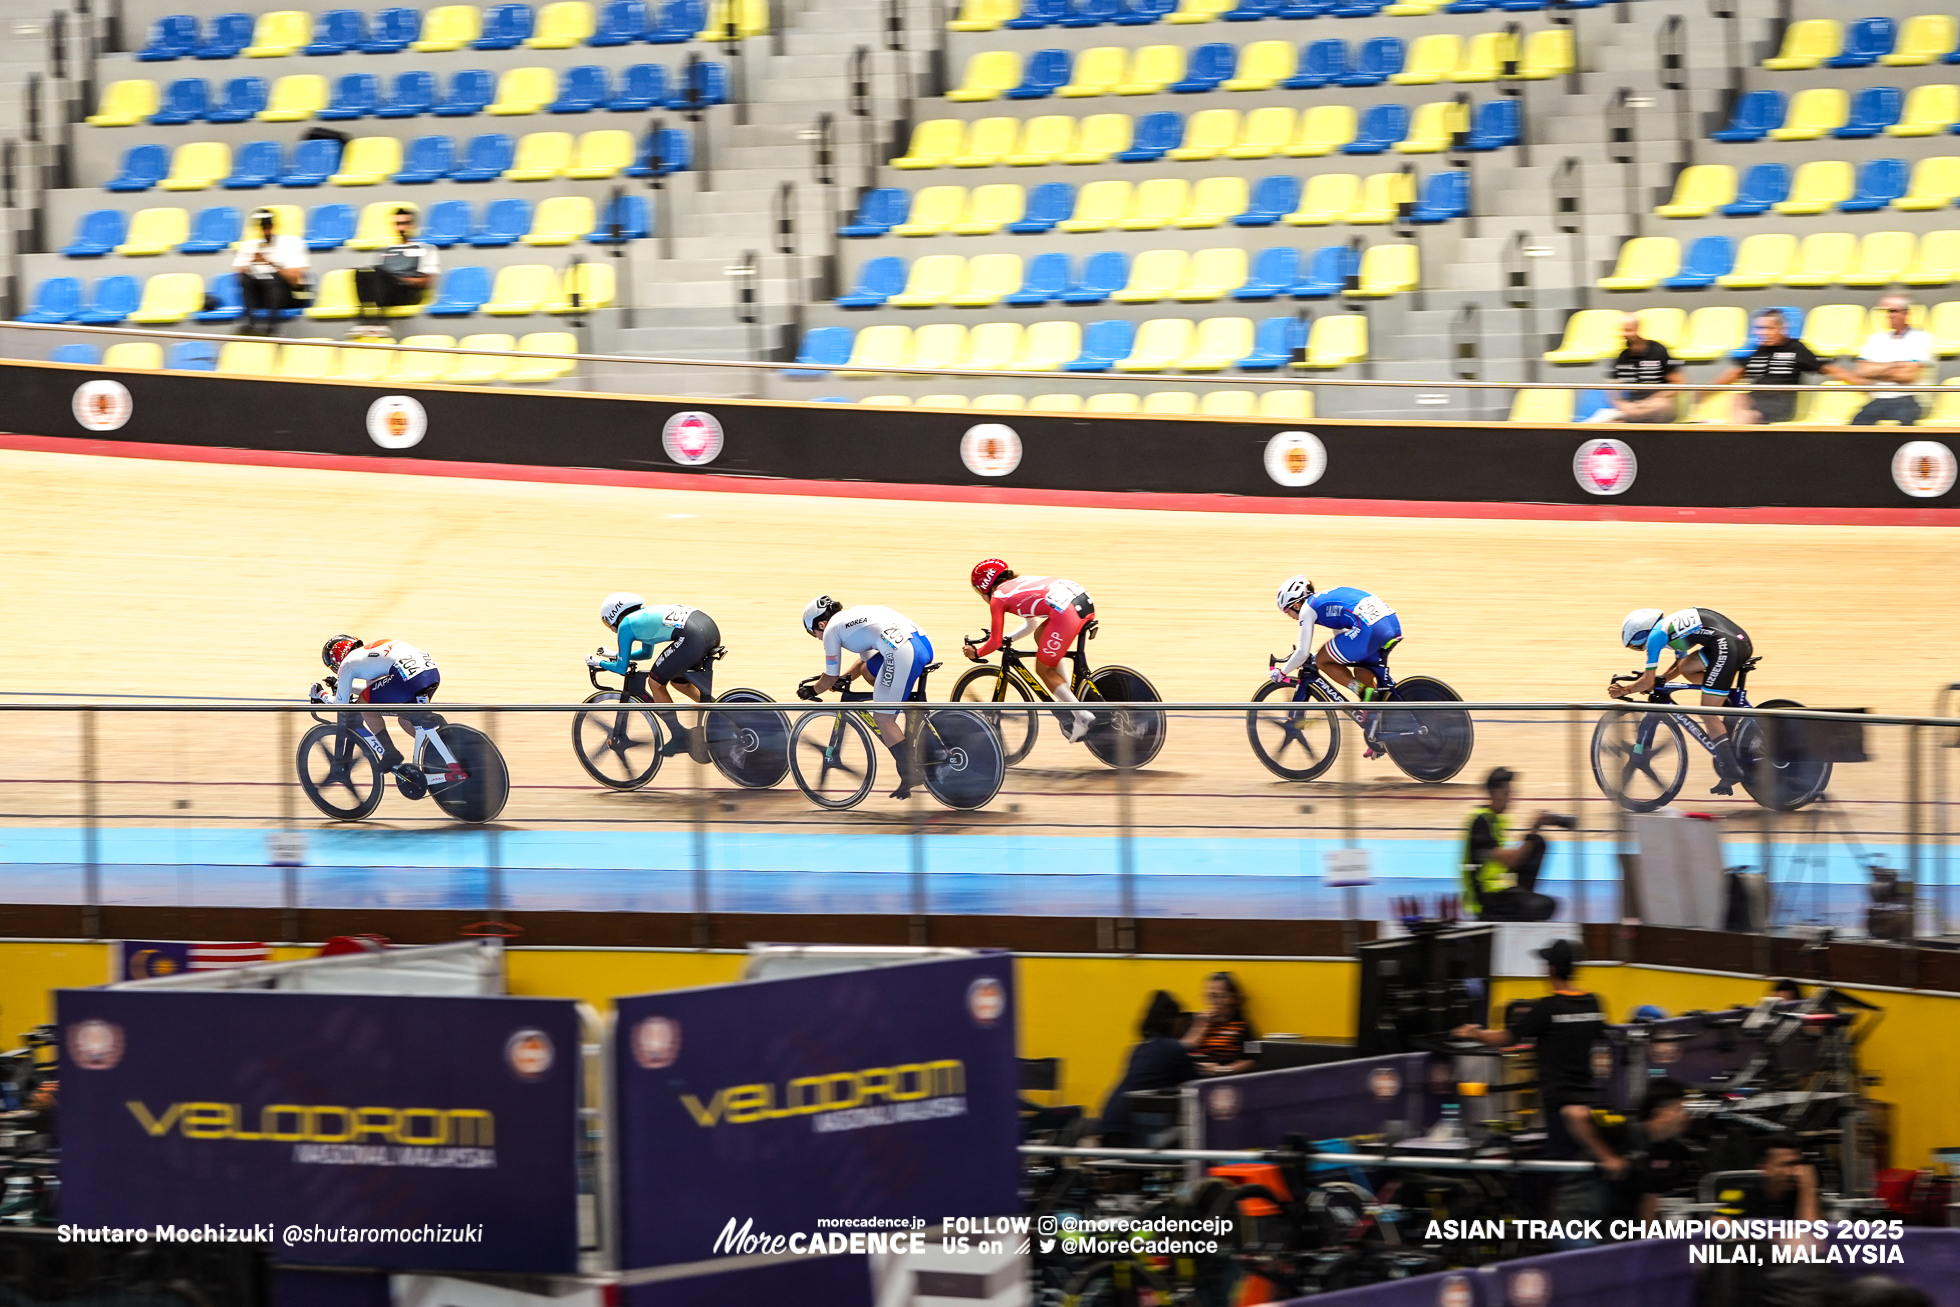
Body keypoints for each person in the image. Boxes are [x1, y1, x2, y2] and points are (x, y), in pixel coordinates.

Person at [1453, 940, 1623, 1177]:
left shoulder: (1548, 1008)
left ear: (1551, 969)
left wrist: (1473, 1033)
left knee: (1562, 1175)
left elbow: (1507, 1038)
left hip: (1560, 1107)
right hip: (1590, 1102)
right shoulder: (1595, 1003)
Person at [798, 596, 934, 799]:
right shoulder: (852, 617)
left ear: (821, 624)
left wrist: (812, 691)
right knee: (868, 671)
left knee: (883, 719)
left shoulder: (831, 631)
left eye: (813, 633)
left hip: (903, 653)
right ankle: (900, 713)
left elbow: (829, 676)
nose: (817, 637)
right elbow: (864, 662)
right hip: (922, 645)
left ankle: (910, 773)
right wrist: (845, 678)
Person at [1609, 606, 1753, 794]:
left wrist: (1624, 690)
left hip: (1725, 646)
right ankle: (1722, 697)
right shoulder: (1671, 630)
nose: (1640, 648)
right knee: (1687, 668)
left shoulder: (1655, 636)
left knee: (1708, 714)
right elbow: (1679, 665)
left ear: (1643, 630)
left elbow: (1647, 680)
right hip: (1733, 642)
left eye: (1636, 643)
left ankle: (1732, 770)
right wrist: (1662, 679)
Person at [961, 559, 1096, 742]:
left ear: (984, 586)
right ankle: (1065, 695)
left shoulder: (998, 598)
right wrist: (1009, 639)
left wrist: (976, 653)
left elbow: (994, 641)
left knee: (1043, 669)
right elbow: (1032, 624)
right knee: (1041, 636)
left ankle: (1082, 715)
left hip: (1066, 612)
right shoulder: (1018, 584)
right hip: (1081, 599)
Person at [1271, 576, 1401, 758]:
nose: (1291, 617)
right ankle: (1377, 732)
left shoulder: (1308, 608)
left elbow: (1302, 652)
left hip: (1370, 629)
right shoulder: (1325, 600)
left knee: (1324, 661)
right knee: (1360, 669)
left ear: (1296, 605)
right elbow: (1341, 637)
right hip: (1390, 623)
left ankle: (1364, 694)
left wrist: (1281, 672)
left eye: (1287, 612)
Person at [586, 591, 719, 764]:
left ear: (614, 615)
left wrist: (597, 662)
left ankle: (678, 736)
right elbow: (645, 653)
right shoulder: (643, 617)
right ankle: (722, 714)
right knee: (680, 683)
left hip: (692, 638)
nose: (611, 628)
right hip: (708, 630)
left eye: (607, 622)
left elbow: (621, 668)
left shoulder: (626, 625)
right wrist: (614, 654)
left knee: (655, 682)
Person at [312, 635, 441, 795]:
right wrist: (343, 687)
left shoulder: (347, 663)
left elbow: (342, 705)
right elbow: (376, 692)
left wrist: (321, 694)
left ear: (336, 657)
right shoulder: (368, 655)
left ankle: (390, 753)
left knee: (364, 705)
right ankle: (441, 751)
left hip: (406, 678)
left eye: (331, 664)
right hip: (429, 673)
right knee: (405, 719)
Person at [1708, 310, 1856, 424]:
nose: (1762, 333)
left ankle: (1738, 433)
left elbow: (1829, 369)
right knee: (1738, 397)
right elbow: (1736, 373)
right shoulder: (1760, 350)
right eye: (1759, 328)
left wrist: (1863, 384)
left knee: (1747, 414)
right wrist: (1705, 391)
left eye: (1768, 328)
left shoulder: (1796, 348)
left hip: (1780, 404)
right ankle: (1739, 430)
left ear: (1781, 328)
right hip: (1755, 400)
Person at [1098, 991, 1200, 1146]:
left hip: (1110, 1123)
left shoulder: (1139, 1048)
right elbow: (1197, 1086)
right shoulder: (1172, 1048)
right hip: (1134, 1131)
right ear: (1172, 1020)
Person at [1462, 767, 1557, 922]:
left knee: (1537, 844)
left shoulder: (1494, 819)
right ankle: (1497, 914)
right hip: (1487, 899)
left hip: (1500, 891)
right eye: (1508, 793)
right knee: (1546, 906)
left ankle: (1522, 895)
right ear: (1497, 793)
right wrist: (1533, 830)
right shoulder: (1481, 822)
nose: (1511, 798)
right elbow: (1512, 860)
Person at [351, 207, 438, 333]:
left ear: (412, 225)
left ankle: (380, 321)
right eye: (398, 224)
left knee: (379, 274)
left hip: (408, 292)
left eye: (405, 223)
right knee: (361, 273)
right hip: (387, 288)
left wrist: (400, 280)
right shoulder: (384, 250)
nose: (401, 228)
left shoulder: (426, 249)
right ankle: (365, 319)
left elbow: (426, 281)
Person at [1849, 295, 1933, 426]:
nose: (1889, 316)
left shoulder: (1922, 338)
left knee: (1903, 425)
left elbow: (1908, 375)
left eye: (1893, 311)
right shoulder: (1875, 339)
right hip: (1879, 398)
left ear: (1905, 313)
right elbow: (1863, 371)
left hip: (1909, 398)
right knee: (1856, 425)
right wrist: (1897, 365)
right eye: (1887, 312)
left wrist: (1877, 369)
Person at [1584, 313, 1683, 424]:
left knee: (1662, 406)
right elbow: (1612, 389)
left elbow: (1679, 383)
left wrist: (1651, 401)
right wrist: (1623, 404)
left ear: (1637, 329)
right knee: (1606, 419)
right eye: (1622, 330)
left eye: (1627, 330)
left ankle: (1621, 418)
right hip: (1631, 407)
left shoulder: (1659, 350)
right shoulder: (1622, 356)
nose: (1623, 334)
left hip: (1656, 405)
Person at [231, 208, 309, 336]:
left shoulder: (292, 243)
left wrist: (270, 263)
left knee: (274, 279)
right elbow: (238, 276)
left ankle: (271, 327)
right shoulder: (249, 246)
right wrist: (251, 262)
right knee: (247, 279)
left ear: (274, 226)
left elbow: (296, 280)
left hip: (289, 296)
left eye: (268, 226)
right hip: (261, 296)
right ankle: (251, 323)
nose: (265, 231)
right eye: (262, 227)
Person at [1186, 972, 1257, 1076]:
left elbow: (1253, 1060)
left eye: (1220, 996)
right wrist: (1198, 1026)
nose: (1214, 1002)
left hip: (1226, 1079)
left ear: (1233, 999)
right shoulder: (1197, 1021)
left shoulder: (1243, 1026)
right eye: (1210, 996)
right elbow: (1182, 1052)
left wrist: (1221, 1070)